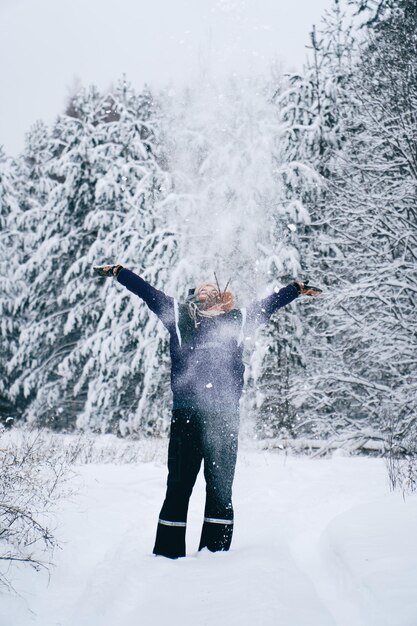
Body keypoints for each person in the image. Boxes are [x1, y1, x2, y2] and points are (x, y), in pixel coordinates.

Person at [93, 264, 321, 558]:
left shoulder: (236, 320)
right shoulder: (180, 317)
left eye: (212, 290)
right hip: (186, 413)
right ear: (194, 296)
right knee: (178, 486)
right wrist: (120, 273)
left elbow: (268, 306)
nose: (207, 292)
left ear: (224, 295)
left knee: (220, 488)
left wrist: (295, 290)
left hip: (223, 415)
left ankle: (216, 554)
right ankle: (167, 554)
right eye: (202, 290)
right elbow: (148, 293)